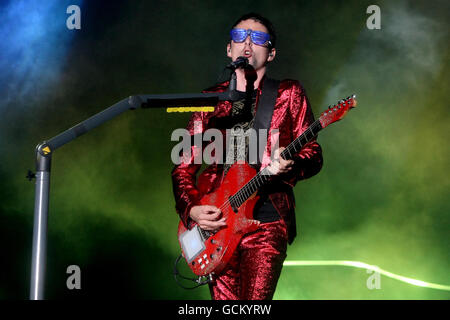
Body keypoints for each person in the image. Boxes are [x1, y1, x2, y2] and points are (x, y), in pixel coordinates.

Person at [172, 13, 323, 300]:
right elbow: (182, 167)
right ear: (229, 48)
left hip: (266, 220)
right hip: (219, 223)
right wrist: (191, 209)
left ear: (272, 53)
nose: (248, 44)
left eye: (259, 39)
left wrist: (292, 163)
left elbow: (314, 154)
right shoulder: (210, 99)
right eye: (240, 36)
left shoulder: (289, 93)